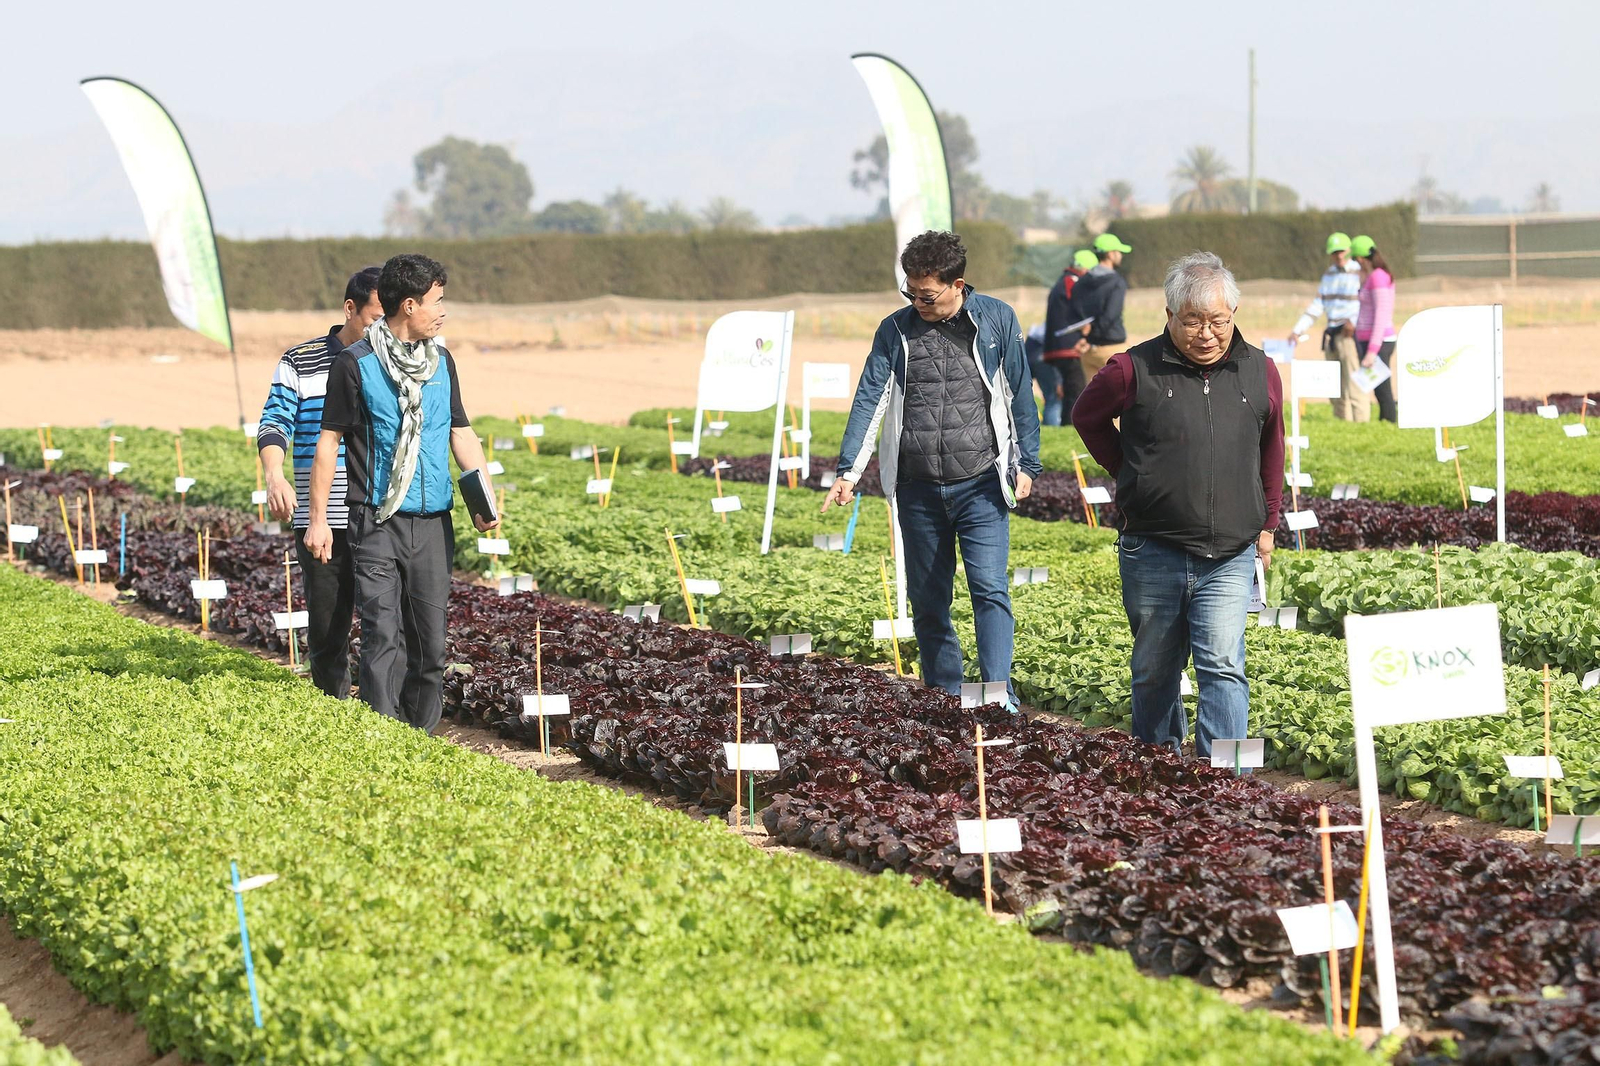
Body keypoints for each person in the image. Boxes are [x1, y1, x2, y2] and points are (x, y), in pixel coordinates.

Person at [1071, 251, 1284, 759]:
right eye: (1192, 321)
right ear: (1169, 316)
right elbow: (1086, 417)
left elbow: (1272, 446)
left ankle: (1225, 777)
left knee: (1223, 665)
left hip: (1229, 552)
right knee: (1154, 668)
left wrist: (1269, 522)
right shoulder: (1131, 369)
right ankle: (1159, 766)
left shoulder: (1260, 370)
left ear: (1233, 315)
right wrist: (1128, 470)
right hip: (1153, 548)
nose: (1206, 334)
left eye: (1218, 321)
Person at [822, 230, 1041, 708]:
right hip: (917, 488)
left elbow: (1018, 392)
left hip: (981, 483)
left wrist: (1027, 462)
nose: (917, 303)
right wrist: (849, 472)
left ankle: (996, 693)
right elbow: (870, 398)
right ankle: (944, 694)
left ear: (957, 284)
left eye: (926, 295)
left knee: (989, 589)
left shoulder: (996, 319)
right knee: (927, 599)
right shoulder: (895, 330)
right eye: (910, 292)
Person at [307, 253, 499, 733]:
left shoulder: (442, 362)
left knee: (431, 646)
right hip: (375, 521)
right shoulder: (355, 364)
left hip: (433, 524)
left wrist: (485, 497)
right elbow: (328, 442)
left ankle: (420, 737)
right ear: (409, 305)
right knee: (382, 636)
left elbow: (460, 431)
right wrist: (317, 520)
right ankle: (384, 737)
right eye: (437, 301)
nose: (443, 311)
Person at [256, 266, 383, 698]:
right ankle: (333, 708)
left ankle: (383, 713)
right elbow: (275, 422)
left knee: (386, 621)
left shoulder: (392, 361)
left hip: (379, 512)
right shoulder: (301, 361)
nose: (382, 330)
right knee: (329, 622)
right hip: (322, 515)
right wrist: (275, 475)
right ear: (350, 308)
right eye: (375, 318)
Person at [1289, 232, 1367, 421]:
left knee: (1355, 384)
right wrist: (1298, 329)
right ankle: (1342, 423)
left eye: (1341, 251)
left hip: (1350, 336)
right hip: (1332, 335)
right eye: (1334, 252)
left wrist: (1354, 322)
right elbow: (1317, 306)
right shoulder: (1328, 275)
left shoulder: (1360, 272)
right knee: (1335, 386)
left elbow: (1366, 304)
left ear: (1349, 250)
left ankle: (1362, 424)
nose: (1338, 255)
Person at [1042, 248, 1100, 414]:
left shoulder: (1063, 281)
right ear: (1085, 269)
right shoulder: (1072, 282)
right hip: (1068, 346)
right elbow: (1081, 308)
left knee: (1070, 391)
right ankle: (1072, 423)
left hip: (1059, 345)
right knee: (1076, 391)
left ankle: (1068, 423)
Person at [1072, 233, 1132, 382]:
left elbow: (1075, 311)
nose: (1121, 255)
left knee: (1094, 395)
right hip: (1112, 347)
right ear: (1110, 254)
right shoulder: (1116, 282)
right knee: (1127, 391)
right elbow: (1110, 315)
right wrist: (1094, 334)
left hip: (1087, 351)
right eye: (1118, 252)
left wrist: (1086, 338)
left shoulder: (1081, 282)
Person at [1352, 235, 1398, 424]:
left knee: (1383, 390)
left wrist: (1372, 351)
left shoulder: (1379, 277)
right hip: (1369, 340)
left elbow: (1381, 315)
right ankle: (1384, 422)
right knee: (1378, 390)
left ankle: (1389, 423)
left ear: (1361, 259)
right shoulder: (1371, 277)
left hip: (1379, 342)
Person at [1024, 324, 1063, 426]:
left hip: (1031, 349)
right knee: (1054, 398)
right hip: (1045, 353)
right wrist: (1059, 381)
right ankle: (1052, 427)